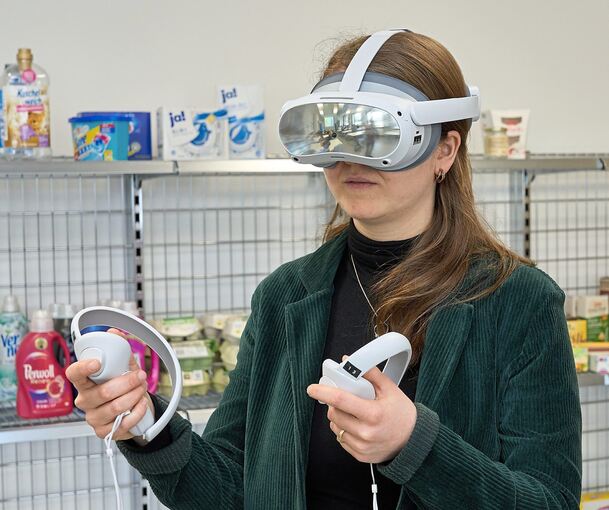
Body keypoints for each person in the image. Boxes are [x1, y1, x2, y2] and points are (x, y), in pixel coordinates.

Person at [66, 30, 582, 509]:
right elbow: (229, 488)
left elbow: (549, 500)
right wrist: (146, 424)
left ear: (444, 149)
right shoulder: (285, 297)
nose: (349, 159)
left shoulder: (518, 301)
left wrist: (416, 444)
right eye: (332, 132)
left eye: (378, 135)